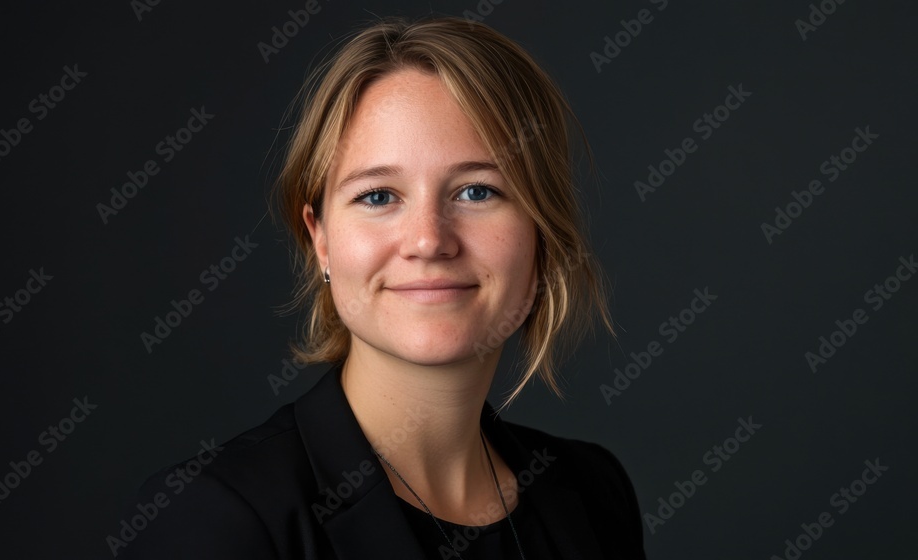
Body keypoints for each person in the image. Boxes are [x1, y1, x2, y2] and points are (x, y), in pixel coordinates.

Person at [119, 15, 646, 560]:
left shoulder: (593, 492)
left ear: (542, 230)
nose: (428, 240)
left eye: (476, 191)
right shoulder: (214, 517)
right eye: (378, 196)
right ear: (321, 239)